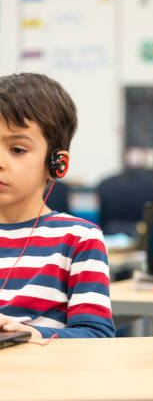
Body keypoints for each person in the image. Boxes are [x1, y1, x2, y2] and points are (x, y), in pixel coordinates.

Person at [0, 73, 114, 339]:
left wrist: (30, 334)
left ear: (57, 163)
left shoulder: (79, 239)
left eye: (17, 149)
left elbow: (97, 336)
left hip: (44, 376)